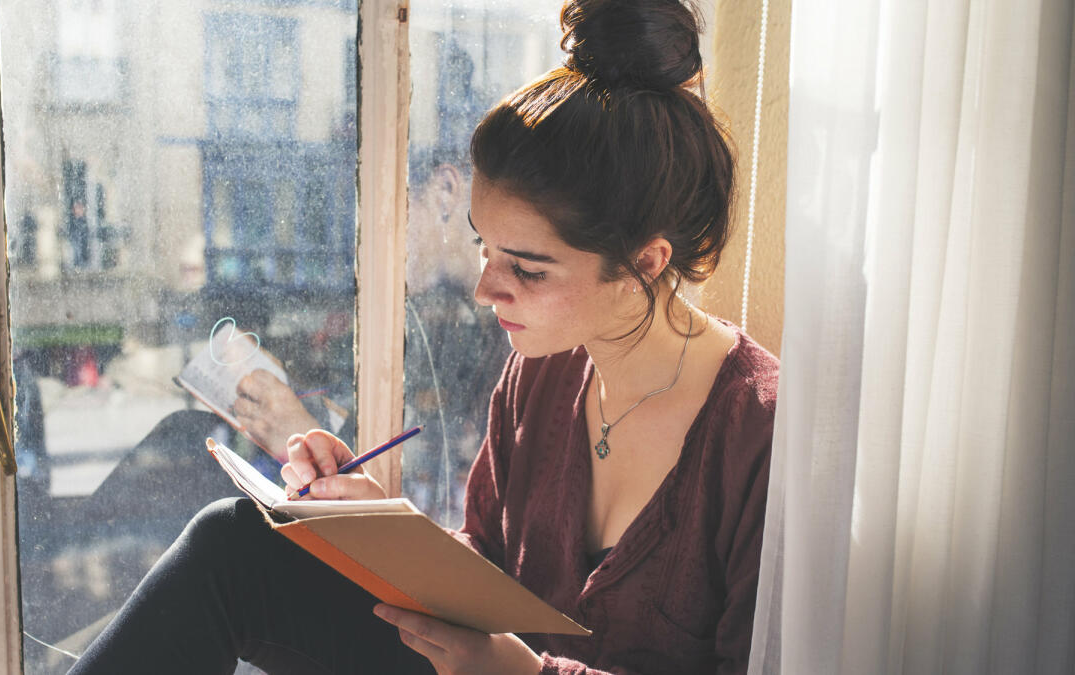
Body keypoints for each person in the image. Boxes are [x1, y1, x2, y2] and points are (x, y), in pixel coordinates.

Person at [69, 0, 778, 672]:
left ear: (644, 263)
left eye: (526, 269)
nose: (485, 290)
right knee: (233, 541)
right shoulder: (541, 374)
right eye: (483, 249)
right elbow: (487, 575)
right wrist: (380, 527)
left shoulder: (757, 433)